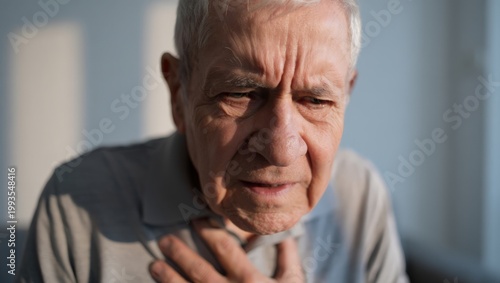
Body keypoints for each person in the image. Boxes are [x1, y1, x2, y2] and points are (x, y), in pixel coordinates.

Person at [18, 0, 409, 282]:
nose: (281, 148)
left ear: (347, 95)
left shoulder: (359, 197)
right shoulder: (77, 204)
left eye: (316, 100)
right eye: (241, 94)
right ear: (178, 91)